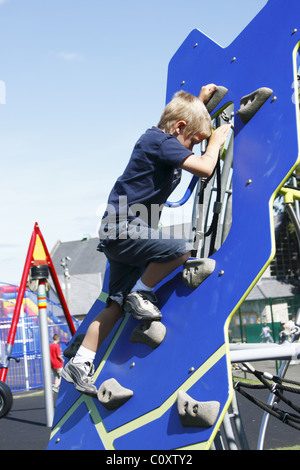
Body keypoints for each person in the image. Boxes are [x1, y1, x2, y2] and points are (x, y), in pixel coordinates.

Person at [62, 84, 231, 395]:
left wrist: (201, 102)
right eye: (192, 141)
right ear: (179, 128)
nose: (191, 149)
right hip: (124, 227)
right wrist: (215, 141)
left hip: (121, 233)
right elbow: (205, 168)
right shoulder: (161, 141)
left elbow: (181, 115)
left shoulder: (160, 138)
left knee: (115, 303)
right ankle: (142, 293)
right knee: (180, 248)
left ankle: (81, 361)